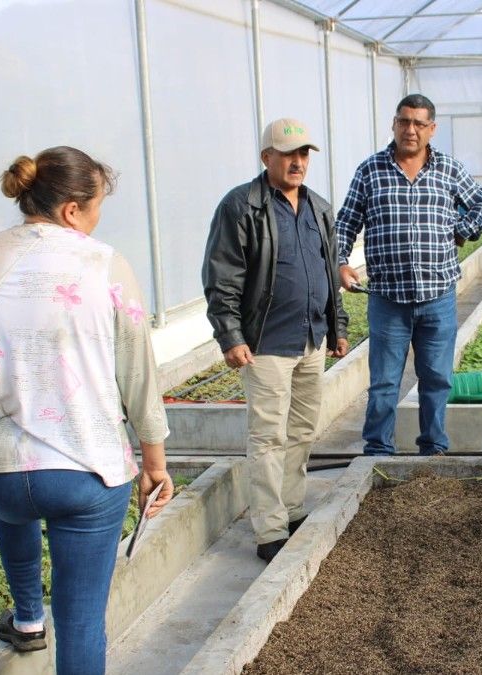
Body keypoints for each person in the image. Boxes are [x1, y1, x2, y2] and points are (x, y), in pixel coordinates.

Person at [0, 146, 171, 675]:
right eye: (96, 208)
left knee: (18, 502)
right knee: (80, 622)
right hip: (86, 473)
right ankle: (45, 624)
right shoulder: (105, 263)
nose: (98, 222)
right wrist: (155, 465)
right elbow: (137, 373)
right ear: (73, 209)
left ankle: (28, 617)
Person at [202, 118, 349, 563]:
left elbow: (330, 273)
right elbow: (222, 274)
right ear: (267, 157)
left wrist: (336, 325)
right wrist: (229, 334)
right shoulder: (242, 206)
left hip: (309, 339)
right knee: (268, 436)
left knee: (302, 429)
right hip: (265, 342)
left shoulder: (319, 207)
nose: (297, 162)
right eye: (288, 154)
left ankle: (292, 508)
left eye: (304, 154)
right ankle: (269, 528)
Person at [335, 94, 482, 456]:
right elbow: (346, 222)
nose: (411, 130)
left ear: (432, 129)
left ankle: (433, 447)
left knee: (436, 379)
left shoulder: (448, 170)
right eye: (404, 121)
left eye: (420, 124)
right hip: (388, 298)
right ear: (394, 124)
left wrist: (462, 231)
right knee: (384, 382)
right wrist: (341, 261)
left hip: (437, 295)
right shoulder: (370, 170)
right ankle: (377, 450)